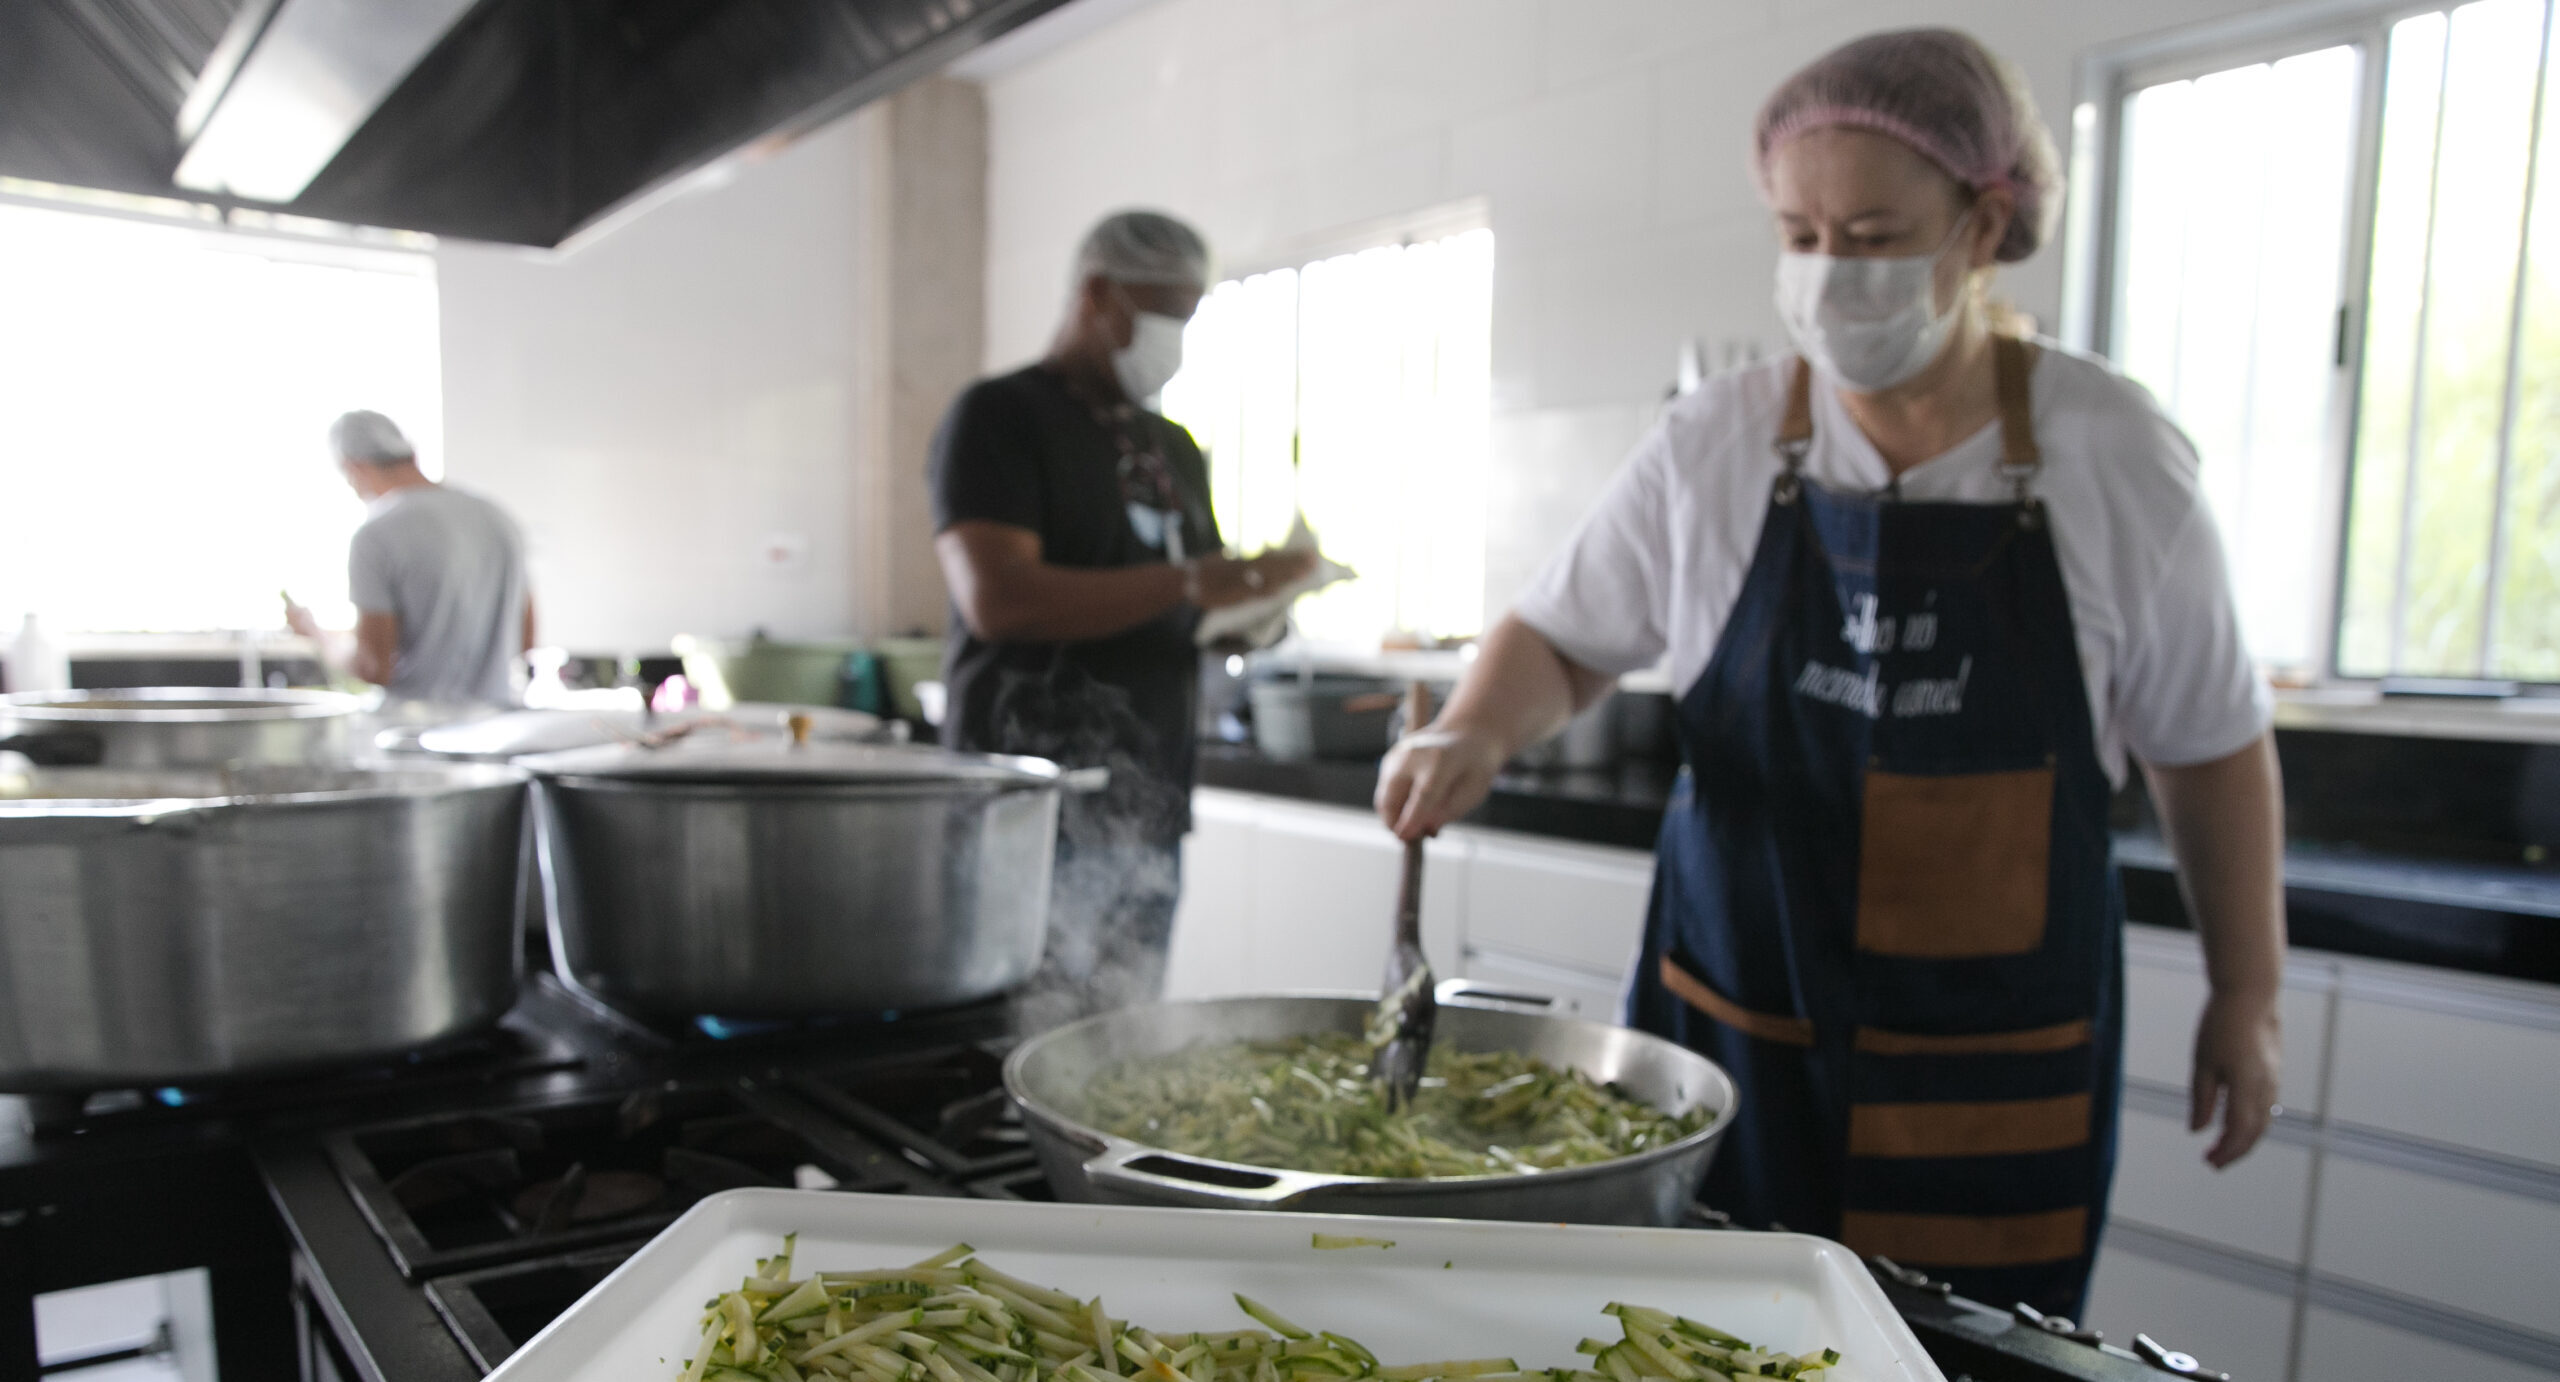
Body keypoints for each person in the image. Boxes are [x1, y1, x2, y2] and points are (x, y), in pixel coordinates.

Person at [1376, 30, 2285, 1316]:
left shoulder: (2111, 453)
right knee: (1690, 1330)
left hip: (1991, 1075)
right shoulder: (1715, 442)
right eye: (1799, 235)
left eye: (1870, 235)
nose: (1826, 272)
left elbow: (2209, 745)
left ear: (1981, 225)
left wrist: (2248, 991)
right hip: (1730, 1035)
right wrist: (1475, 730)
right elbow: (1566, 635)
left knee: (1956, 1349)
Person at [931, 210, 1315, 1023]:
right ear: (1098, 296)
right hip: (1030, 810)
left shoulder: (1172, 448)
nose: (1176, 337)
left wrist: (1264, 606)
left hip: (1148, 801)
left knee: (1122, 1051)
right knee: (1002, 1049)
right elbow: (1000, 601)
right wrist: (1191, 582)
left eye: (1190, 316)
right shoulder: (1000, 417)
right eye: (1164, 313)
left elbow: (1198, 604)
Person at [284, 410, 533, 705]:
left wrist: (315, 634)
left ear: (353, 467)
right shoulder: (497, 516)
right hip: (498, 728)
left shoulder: (376, 535)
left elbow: (374, 666)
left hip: (415, 732)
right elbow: (526, 639)